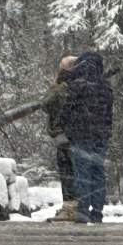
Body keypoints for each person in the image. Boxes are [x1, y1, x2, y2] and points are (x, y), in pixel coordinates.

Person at [60, 51, 113, 224]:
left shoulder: (76, 85)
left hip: (81, 134)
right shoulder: (105, 87)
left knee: (82, 172)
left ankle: (82, 209)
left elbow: (67, 110)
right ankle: (97, 211)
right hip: (100, 136)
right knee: (98, 172)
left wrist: (66, 127)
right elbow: (108, 114)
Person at [44, 56, 79, 222]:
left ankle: (70, 208)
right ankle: (80, 206)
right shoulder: (83, 84)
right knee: (78, 171)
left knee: (67, 172)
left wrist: (54, 87)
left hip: (63, 133)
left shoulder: (61, 87)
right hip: (81, 134)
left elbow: (46, 104)